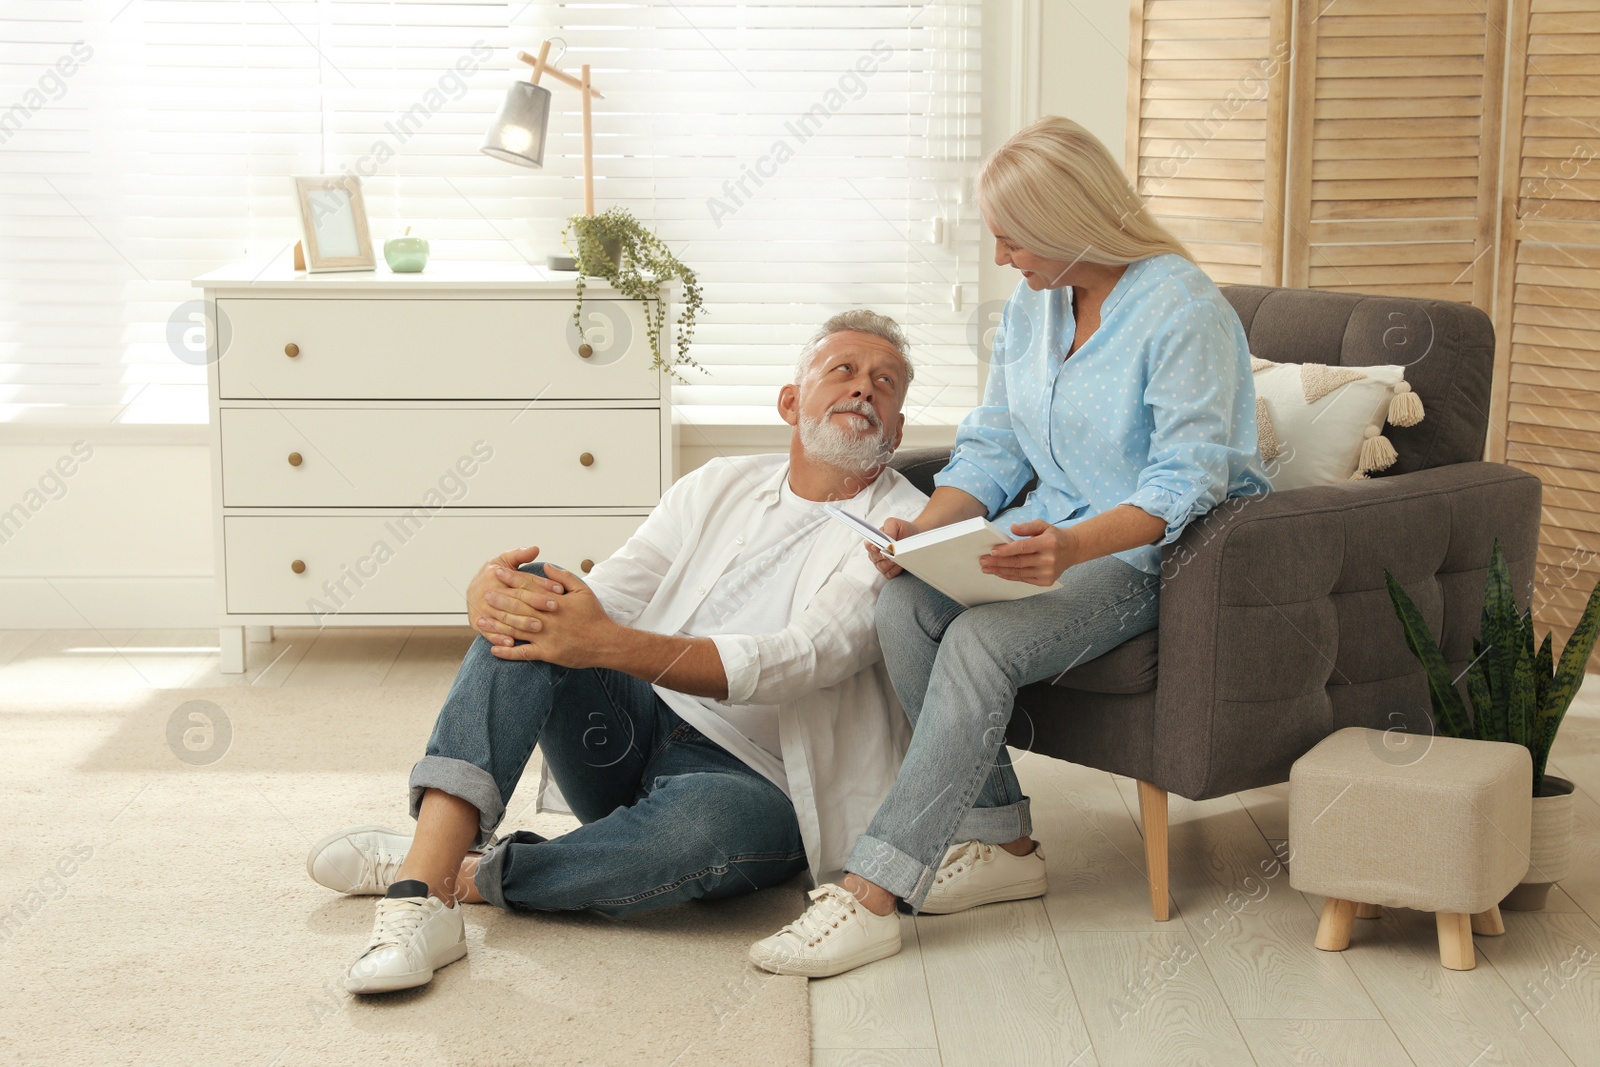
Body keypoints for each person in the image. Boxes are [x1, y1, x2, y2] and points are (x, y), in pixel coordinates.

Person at [749, 116, 1273, 978]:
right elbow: (995, 442)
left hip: (1156, 556)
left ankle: (875, 890)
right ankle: (1007, 843)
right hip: (1045, 535)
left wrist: (1071, 547)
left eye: (1012, 236)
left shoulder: (1183, 309)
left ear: (1071, 222)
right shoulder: (1035, 305)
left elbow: (1189, 481)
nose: (1000, 256)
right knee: (908, 605)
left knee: (983, 641)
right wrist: (925, 530)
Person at [306, 310, 930, 994]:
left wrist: (608, 642)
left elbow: (797, 659)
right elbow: (601, 598)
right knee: (539, 594)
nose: (863, 388)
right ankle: (419, 898)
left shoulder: (900, 528)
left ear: (896, 429)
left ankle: (458, 870)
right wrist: (496, 597)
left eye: (885, 382)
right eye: (843, 370)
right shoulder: (718, 484)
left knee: (704, 830)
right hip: (625, 730)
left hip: (757, 783)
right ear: (790, 401)